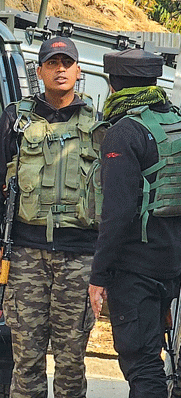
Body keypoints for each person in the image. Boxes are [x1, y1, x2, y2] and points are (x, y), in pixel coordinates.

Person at [0, 36, 99, 398]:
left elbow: (117, 192)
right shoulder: (16, 119)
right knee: (26, 361)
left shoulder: (99, 124)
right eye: (52, 63)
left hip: (80, 258)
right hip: (26, 256)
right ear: (40, 71)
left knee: (71, 361)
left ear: (78, 70)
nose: (60, 69)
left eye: (67, 63)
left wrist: (107, 263)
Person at [88, 49, 181, 397]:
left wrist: (99, 276)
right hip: (171, 265)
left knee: (142, 364)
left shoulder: (124, 132)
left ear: (113, 85)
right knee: (155, 357)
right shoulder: (175, 121)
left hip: (135, 271)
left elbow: (118, 212)